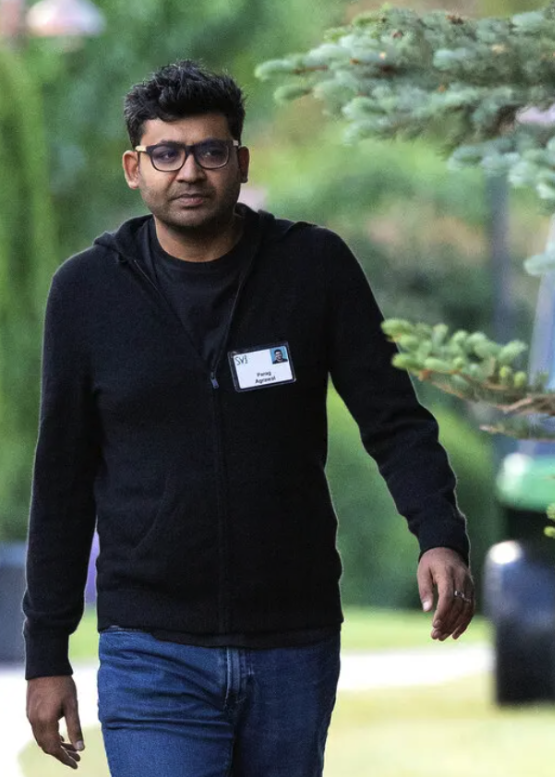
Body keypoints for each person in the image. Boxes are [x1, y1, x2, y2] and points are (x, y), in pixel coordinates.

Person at [22, 60, 474, 776]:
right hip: (151, 647)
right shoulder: (87, 291)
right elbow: (63, 479)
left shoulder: (313, 267)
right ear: (135, 168)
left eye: (210, 150)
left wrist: (439, 533)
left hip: (293, 643)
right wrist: (46, 654)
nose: (189, 171)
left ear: (241, 161)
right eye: (167, 154)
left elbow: (393, 418)